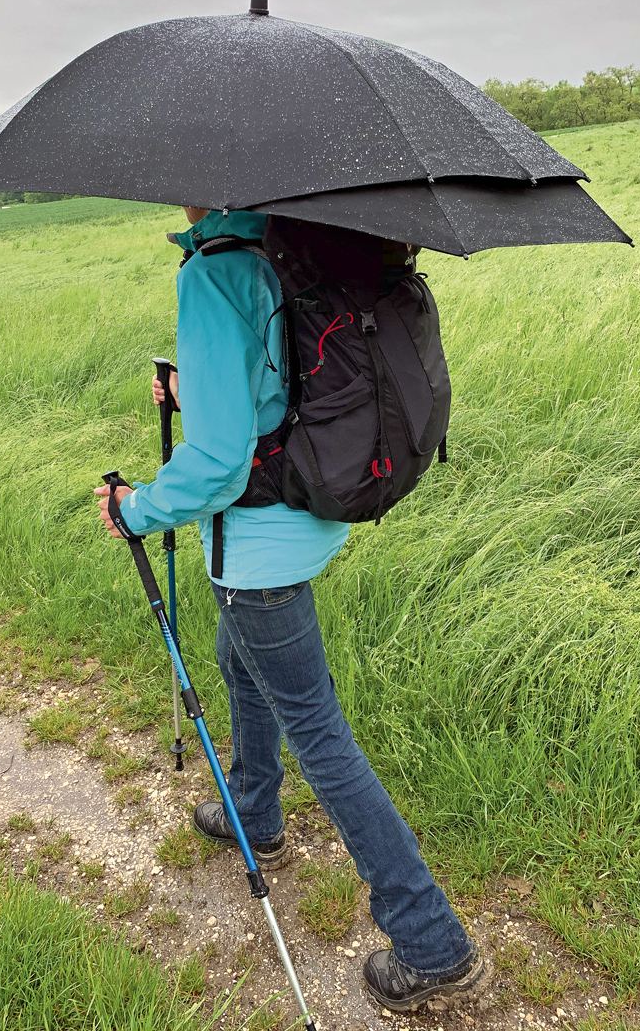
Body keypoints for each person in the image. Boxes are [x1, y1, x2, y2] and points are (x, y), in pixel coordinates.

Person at [95, 206, 491, 1013]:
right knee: (241, 655)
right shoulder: (300, 240)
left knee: (317, 728)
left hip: (257, 544)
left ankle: (433, 944)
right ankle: (254, 809)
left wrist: (134, 508)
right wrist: (187, 383)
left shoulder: (216, 268)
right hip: (314, 508)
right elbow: (281, 381)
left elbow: (212, 465)